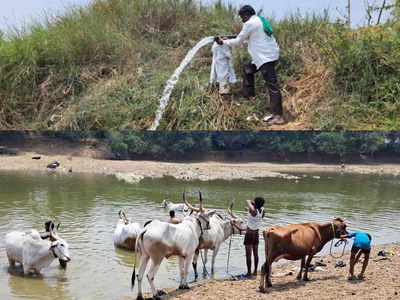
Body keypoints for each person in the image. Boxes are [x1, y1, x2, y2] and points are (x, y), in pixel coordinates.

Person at [216, 5, 284, 126]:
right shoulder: (259, 20)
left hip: (265, 58)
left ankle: (278, 117)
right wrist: (231, 38)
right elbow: (249, 38)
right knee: (247, 69)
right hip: (267, 55)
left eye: (242, 17)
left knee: (272, 86)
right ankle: (249, 97)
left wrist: (223, 42)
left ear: (247, 14)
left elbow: (238, 41)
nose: (242, 20)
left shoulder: (250, 24)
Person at [244, 197, 265, 276]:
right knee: (256, 254)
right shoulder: (262, 210)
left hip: (249, 234)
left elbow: (247, 200)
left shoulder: (253, 211)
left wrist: (250, 203)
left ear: (255, 203)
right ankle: (255, 271)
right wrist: (249, 208)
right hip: (256, 234)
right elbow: (258, 214)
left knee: (248, 254)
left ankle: (249, 272)